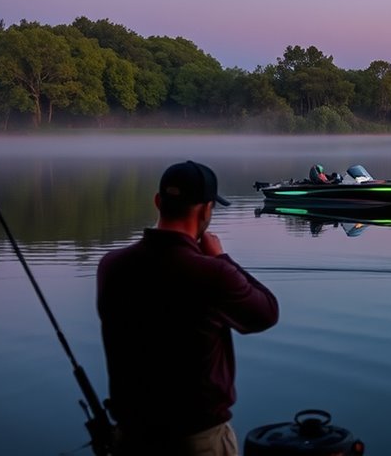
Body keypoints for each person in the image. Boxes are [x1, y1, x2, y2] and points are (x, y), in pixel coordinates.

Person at [97, 160, 279, 455]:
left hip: (131, 437)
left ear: (158, 202)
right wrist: (221, 258)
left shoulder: (111, 267)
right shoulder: (212, 274)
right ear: (207, 209)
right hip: (197, 441)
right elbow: (266, 313)